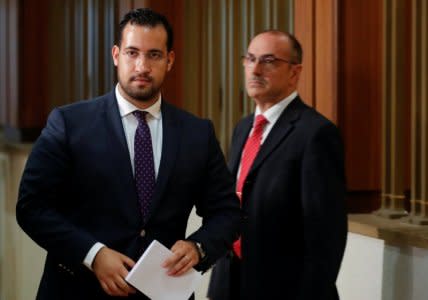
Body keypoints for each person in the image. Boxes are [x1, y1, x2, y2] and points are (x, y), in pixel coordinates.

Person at [16, 8, 240, 300]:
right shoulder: (69, 124)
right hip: (77, 290)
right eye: (132, 53)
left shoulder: (197, 133)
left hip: (162, 292)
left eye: (154, 55)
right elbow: (32, 208)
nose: (142, 66)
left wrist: (198, 247)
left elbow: (228, 213)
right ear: (116, 55)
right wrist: (92, 254)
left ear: (169, 60)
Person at [207, 30, 347, 300]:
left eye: (268, 61)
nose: (255, 69)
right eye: (250, 59)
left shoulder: (316, 134)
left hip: (285, 289)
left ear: (295, 72)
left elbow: (326, 237)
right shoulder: (243, 128)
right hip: (232, 283)